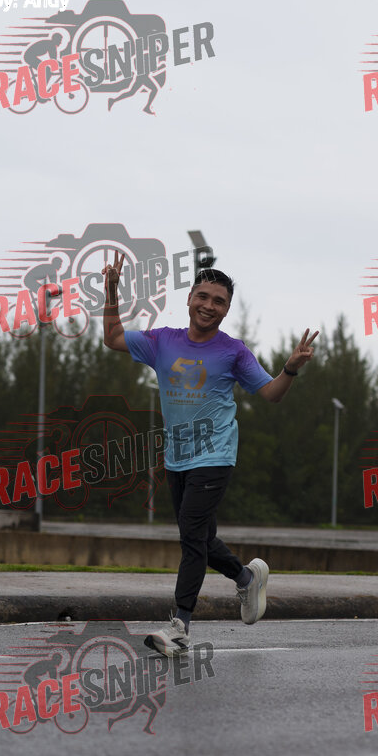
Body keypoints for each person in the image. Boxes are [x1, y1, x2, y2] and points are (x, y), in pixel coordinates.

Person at [102, 251, 318, 657]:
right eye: (202, 296)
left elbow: (271, 394)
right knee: (200, 536)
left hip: (215, 454)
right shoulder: (162, 341)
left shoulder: (233, 351)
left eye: (219, 301)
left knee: (190, 537)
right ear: (189, 299)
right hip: (177, 457)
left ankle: (180, 627)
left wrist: (289, 369)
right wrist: (112, 293)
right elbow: (112, 337)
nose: (209, 305)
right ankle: (245, 578)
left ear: (226, 309)